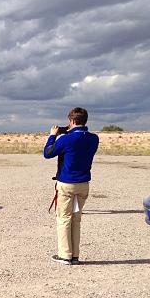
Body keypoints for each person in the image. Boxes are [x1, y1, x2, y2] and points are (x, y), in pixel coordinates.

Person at [43, 107, 99, 265]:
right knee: (76, 219)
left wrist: (52, 136)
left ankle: (65, 255)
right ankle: (75, 255)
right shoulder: (94, 138)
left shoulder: (65, 140)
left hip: (67, 184)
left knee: (64, 219)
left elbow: (47, 153)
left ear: (72, 121)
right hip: (83, 184)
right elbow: (79, 144)